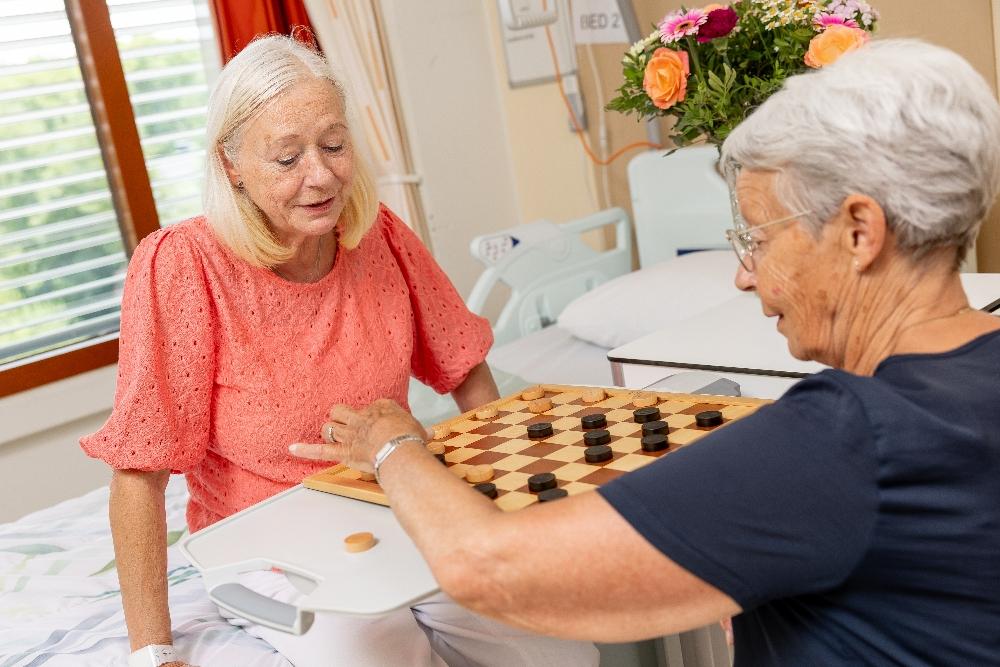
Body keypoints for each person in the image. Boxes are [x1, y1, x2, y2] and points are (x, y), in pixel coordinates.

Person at [291, 40, 1000, 665]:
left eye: (756, 236)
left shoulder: (844, 438)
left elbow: (488, 566)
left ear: (858, 231)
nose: (743, 274)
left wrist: (393, 447)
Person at [81, 35, 598, 667]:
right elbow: (139, 471)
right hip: (262, 546)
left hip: (395, 506)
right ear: (231, 162)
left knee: (559, 648)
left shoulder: (377, 233)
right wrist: (150, 652)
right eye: (287, 157)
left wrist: (498, 498)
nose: (320, 175)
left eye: (332, 144)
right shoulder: (185, 265)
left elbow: (464, 367)